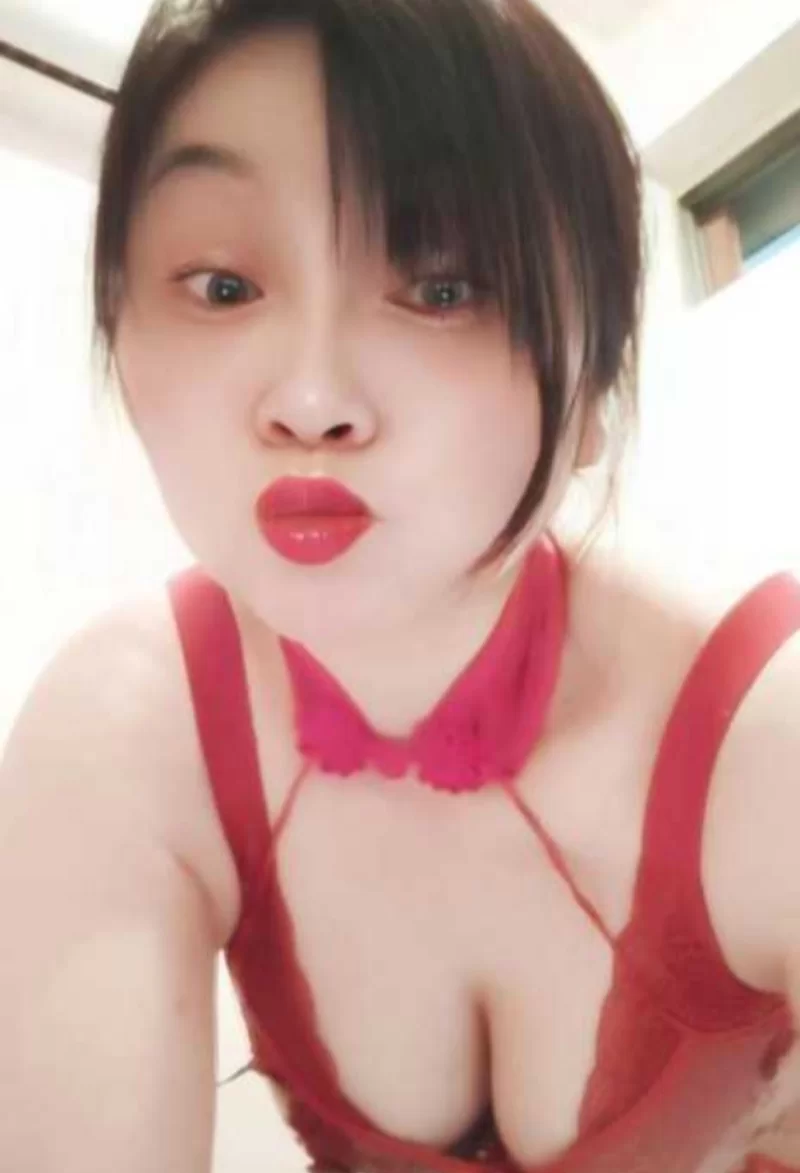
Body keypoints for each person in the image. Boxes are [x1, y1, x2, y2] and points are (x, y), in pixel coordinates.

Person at [1, 0, 799, 1170]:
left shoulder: (767, 737)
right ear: (122, 336)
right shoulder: (127, 724)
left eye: (440, 287)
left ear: (591, 391)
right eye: (222, 286)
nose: (310, 399)